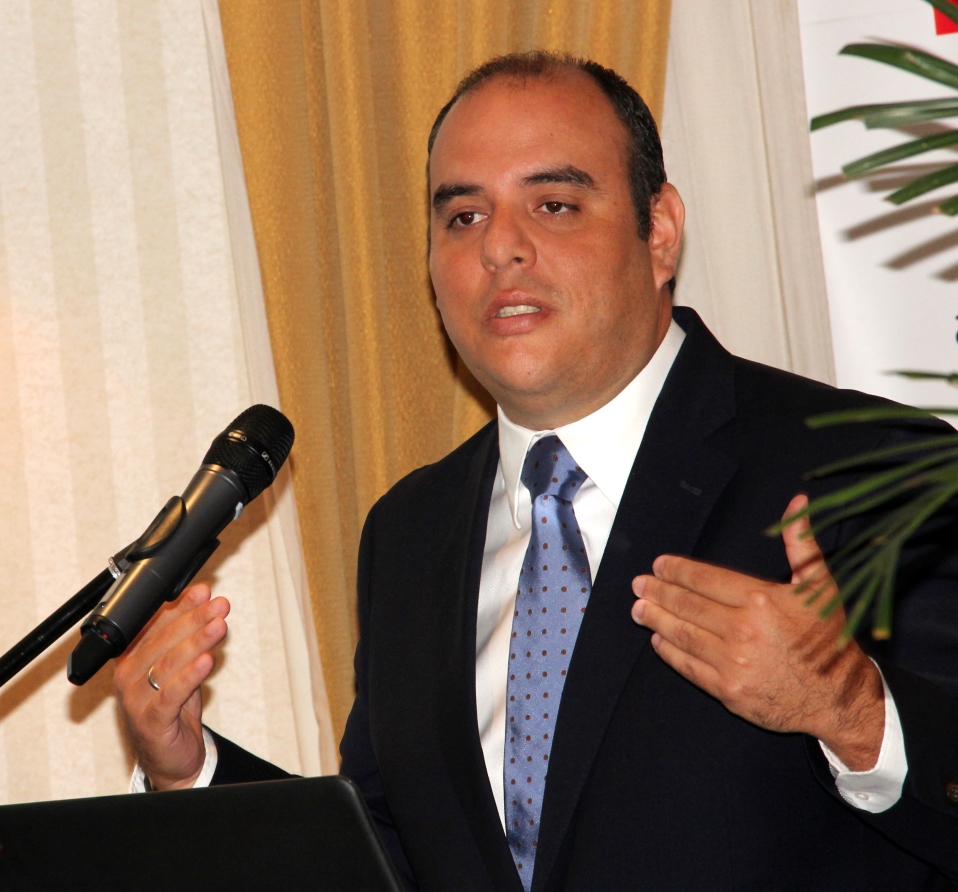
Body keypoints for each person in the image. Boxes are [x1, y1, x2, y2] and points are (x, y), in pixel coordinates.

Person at [114, 52, 958, 890]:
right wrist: (193, 773)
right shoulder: (411, 532)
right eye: (463, 217)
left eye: (554, 205)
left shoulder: (871, 468)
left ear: (660, 231)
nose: (501, 248)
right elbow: (390, 860)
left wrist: (855, 711)